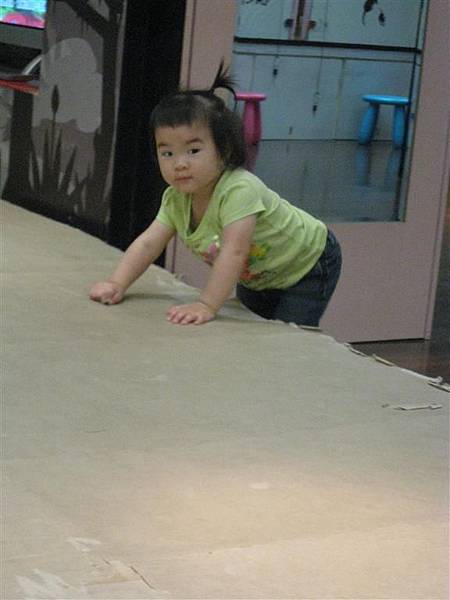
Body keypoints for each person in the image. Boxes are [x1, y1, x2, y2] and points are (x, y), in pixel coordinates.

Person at [89, 64, 342, 326]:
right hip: (259, 275)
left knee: (290, 337)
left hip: (307, 263)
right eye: (167, 153)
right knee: (253, 331)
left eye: (193, 151)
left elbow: (235, 251)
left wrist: (206, 304)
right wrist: (117, 283)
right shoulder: (175, 199)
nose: (179, 164)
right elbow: (148, 244)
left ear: (225, 150)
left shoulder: (239, 190)